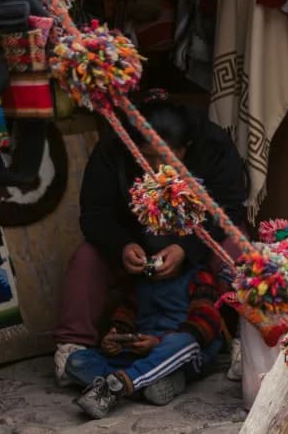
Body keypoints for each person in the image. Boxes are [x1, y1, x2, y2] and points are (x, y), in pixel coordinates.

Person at [53, 95, 248, 416]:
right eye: (147, 159)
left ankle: (245, 343)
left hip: (197, 244)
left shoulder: (212, 145)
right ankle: (85, 353)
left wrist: (186, 249)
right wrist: (122, 246)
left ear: (187, 147)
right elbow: (95, 214)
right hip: (134, 251)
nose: (158, 170)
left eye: (168, 159)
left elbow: (229, 208)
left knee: (235, 246)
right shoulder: (113, 150)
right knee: (86, 259)